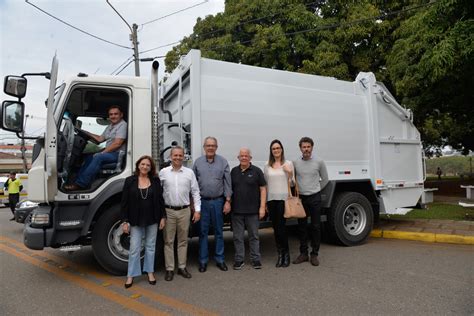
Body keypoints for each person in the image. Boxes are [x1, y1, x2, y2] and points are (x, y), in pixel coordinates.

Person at [121, 155, 166, 289]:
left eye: (148, 165)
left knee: (150, 246)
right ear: (138, 165)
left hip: (153, 218)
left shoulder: (156, 181)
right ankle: (131, 275)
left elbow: (160, 200)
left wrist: (163, 217)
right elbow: (124, 203)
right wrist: (124, 221)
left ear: (151, 168)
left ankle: (150, 272)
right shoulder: (129, 181)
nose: (145, 167)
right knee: (134, 248)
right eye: (143, 164)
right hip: (135, 220)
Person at [159, 146, 201, 281]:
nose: (177, 157)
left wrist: (198, 210)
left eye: (180, 155)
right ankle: (169, 269)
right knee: (168, 241)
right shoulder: (163, 172)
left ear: (184, 157)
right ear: (170, 157)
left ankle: (182, 267)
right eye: (175, 155)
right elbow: (158, 194)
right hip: (168, 211)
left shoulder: (189, 173)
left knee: (183, 241)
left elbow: (195, 192)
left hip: (184, 211)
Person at [65, 105, 127, 190]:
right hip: (110, 153)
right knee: (89, 157)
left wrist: (102, 152)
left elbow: (117, 143)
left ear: (121, 115)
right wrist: (85, 132)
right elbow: (100, 139)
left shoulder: (123, 125)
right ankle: (76, 181)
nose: (113, 116)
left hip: (117, 154)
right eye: (111, 114)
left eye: (116, 114)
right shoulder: (110, 126)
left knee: (98, 157)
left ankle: (80, 184)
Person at [193, 137, 232, 273]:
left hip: (218, 201)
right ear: (204, 147)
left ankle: (220, 259)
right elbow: (193, 185)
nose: (210, 148)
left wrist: (228, 201)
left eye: (213, 145)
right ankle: (203, 261)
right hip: (203, 202)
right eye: (208, 145)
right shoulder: (197, 163)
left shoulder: (223, 162)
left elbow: (227, 183)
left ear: (216, 147)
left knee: (219, 232)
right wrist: (194, 204)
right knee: (202, 232)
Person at [293, 137, 328, 266]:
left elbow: (325, 179)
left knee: (315, 226)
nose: (306, 149)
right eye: (304, 147)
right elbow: (293, 179)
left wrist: (316, 189)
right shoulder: (295, 162)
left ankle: (314, 254)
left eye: (308, 147)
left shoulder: (319, 162)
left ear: (312, 147)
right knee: (302, 227)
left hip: (315, 197)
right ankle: (303, 254)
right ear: (300, 148)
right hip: (301, 199)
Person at [230, 148, 266, 270]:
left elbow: (263, 189)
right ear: (238, 158)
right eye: (242, 156)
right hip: (237, 211)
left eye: (246, 156)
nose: (244, 157)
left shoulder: (257, 171)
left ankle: (256, 259)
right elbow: (229, 190)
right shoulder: (233, 172)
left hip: (253, 211)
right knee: (237, 237)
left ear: (250, 158)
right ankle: (239, 260)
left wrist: (262, 207)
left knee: (254, 236)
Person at [264, 140, 294, 268]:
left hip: (283, 200)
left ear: (282, 149)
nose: (276, 150)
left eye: (278, 148)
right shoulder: (267, 165)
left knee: (282, 228)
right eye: (274, 149)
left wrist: (290, 173)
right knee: (275, 229)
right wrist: (265, 202)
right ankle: (280, 254)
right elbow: (265, 185)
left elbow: (292, 183)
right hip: (271, 200)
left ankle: (286, 255)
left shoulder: (288, 164)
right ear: (271, 151)